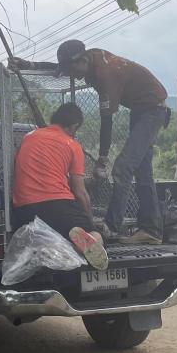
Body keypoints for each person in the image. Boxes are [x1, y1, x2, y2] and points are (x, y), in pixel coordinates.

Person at [10, 40, 169, 245]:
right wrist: (30, 65)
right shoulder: (88, 59)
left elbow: (107, 122)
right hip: (140, 110)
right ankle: (152, 230)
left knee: (122, 167)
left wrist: (102, 159)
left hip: (153, 110)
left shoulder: (107, 74)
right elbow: (60, 67)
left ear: (82, 60)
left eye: (72, 70)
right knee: (142, 171)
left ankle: (111, 226)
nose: (72, 76)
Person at [13, 102, 108, 271]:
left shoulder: (29, 137)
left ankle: (53, 246)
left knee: (57, 229)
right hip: (56, 204)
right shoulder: (72, 145)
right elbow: (80, 192)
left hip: (23, 208)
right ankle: (79, 245)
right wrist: (89, 221)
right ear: (74, 126)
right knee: (95, 236)